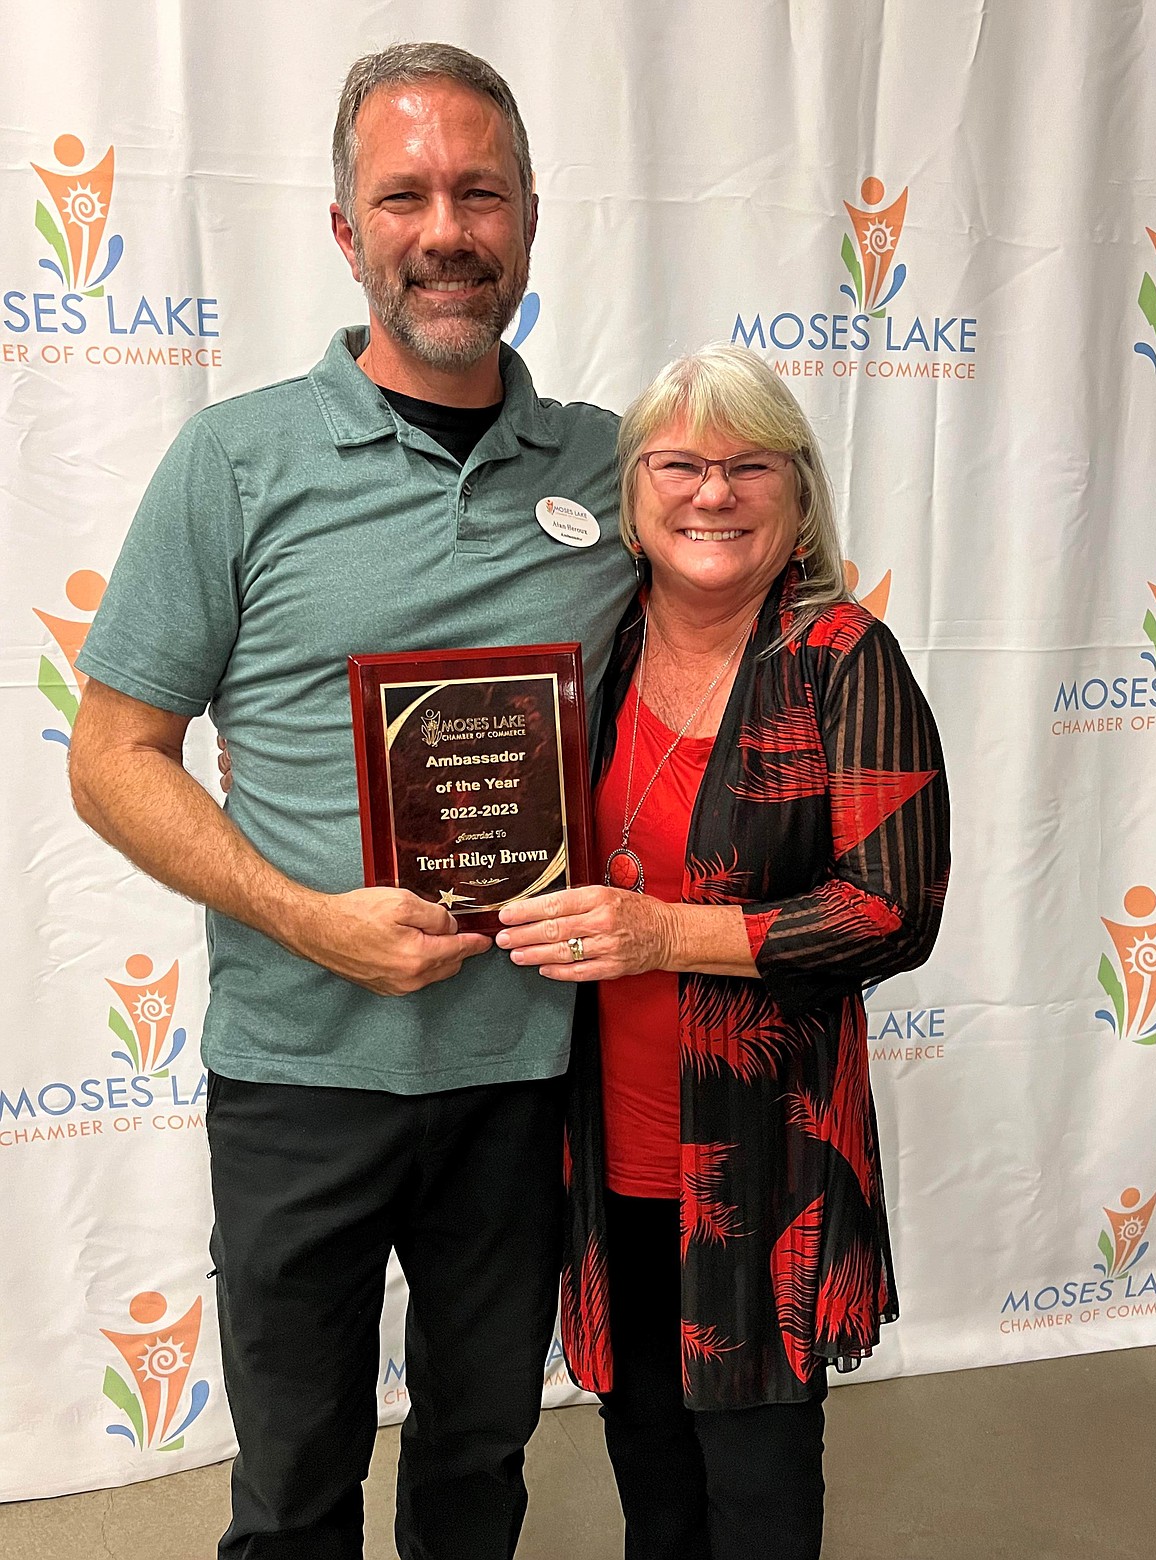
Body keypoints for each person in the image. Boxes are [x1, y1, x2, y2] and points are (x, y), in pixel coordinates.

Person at [68, 42, 634, 1560]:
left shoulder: (617, 470)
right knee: (295, 1482)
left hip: (522, 1074)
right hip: (298, 1070)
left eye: (479, 192)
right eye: (404, 195)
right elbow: (111, 756)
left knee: (478, 1460)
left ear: (527, 221)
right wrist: (306, 917)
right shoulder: (235, 462)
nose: (444, 227)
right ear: (344, 230)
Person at [495, 344, 950, 1560]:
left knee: (755, 1499)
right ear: (630, 493)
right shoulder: (591, 647)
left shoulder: (842, 657)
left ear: (797, 496)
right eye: (681, 464)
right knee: (651, 1481)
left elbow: (895, 908)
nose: (713, 493)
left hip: (767, 1160)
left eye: (750, 465)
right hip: (602, 1148)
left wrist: (670, 934)